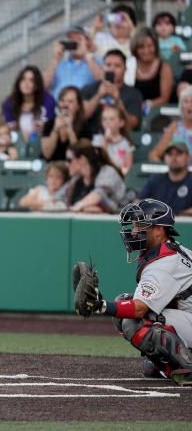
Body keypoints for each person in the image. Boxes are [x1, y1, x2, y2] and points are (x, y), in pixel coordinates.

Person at [76, 199, 192, 385]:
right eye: (135, 225)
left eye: (141, 225)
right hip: (188, 317)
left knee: (135, 320)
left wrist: (100, 305)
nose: (134, 231)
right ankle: (165, 363)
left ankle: (187, 367)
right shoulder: (170, 250)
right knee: (124, 302)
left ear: (159, 230)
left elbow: (139, 309)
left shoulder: (164, 263)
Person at [81, 49, 142, 136]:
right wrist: (98, 96)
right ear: (103, 67)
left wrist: (117, 100)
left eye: (117, 66)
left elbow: (132, 124)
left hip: (120, 141)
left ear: (125, 70)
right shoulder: (89, 89)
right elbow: (82, 116)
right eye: (108, 65)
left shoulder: (133, 94)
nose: (112, 69)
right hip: (91, 139)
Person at [43, 25, 103, 100]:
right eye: (71, 39)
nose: (75, 42)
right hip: (59, 107)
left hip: (84, 107)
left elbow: (103, 81)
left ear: (87, 42)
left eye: (79, 39)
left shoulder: (97, 62)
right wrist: (56, 59)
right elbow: (42, 85)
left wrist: (86, 55)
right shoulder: (60, 65)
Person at [64, 140, 126, 213]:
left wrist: (78, 206)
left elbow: (99, 194)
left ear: (82, 159)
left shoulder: (107, 172)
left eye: (69, 160)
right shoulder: (75, 180)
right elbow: (59, 198)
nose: (66, 164)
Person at [2, 65, 56, 144]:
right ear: (19, 82)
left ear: (37, 85)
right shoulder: (9, 103)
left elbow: (49, 127)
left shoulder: (48, 100)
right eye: (23, 79)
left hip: (42, 142)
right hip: (18, 143)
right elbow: (11, 131)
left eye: (31, 80)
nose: (26, 83)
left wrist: (42, 128)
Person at [90, 4, 137, 85]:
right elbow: (86, 49)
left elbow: (140, 46)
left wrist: (132, 29)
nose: (118, 23)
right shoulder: (100, 37)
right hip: (101, 83)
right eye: (116, 18)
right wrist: (95, 29)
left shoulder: (135, 40)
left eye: (123, 19)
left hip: (128, 86)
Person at [141, 142, 192, 215]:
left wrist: (175, 215)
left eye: (179, 154)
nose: (174, 158)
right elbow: (139, 201)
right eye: (170, 154)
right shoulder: (156, 180)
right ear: (164, 158)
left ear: (188, 157)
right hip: (159, 224)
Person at [131, 27, 174, 113]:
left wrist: (147, 105)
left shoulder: (164, 68)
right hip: (133, 111)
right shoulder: (130, 65)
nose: (146, 51)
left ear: (156, 46)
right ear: (135, 48)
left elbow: (164, 98)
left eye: (150, 46)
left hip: (157, 113)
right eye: (141, 47)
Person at [41, 86, 89, 161]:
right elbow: (47, 155)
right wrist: (56, 129)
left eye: (70, 101)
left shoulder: (85, 126)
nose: (65, 105)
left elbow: (80, 156)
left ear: (78, 106)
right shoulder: (49, 124)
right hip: (52, 167)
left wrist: (70, 130)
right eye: (62, 101)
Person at [149, 86, 192, 164]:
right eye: (186, 102)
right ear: (181, 107)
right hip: (177, 173)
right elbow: (154, 155)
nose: (189, 105)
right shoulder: (174, 126)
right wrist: (168, 170)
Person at [101, 105, 134, 176]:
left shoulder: (126, 143)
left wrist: (119, 170)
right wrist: (105, 142)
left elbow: (127, 170)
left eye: (111, 119)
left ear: (121, 123)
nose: (107, 122)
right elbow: (98, 163)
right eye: (104, 119)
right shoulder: (98, 140)